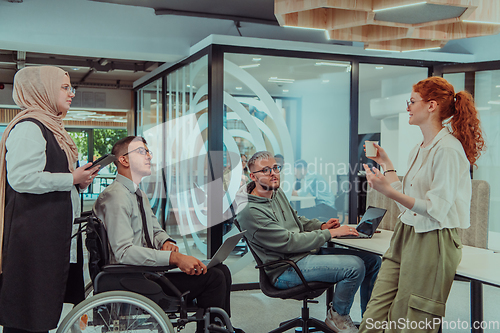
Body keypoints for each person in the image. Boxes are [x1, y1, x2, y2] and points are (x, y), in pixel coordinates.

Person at [358, 77, 485, 333]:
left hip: (433, 240)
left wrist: (387, 192)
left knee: (411, 321)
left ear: (431, 106)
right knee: (375, 313)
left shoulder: (448, 150)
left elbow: (435, 208)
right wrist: (387, 165)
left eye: (412, 101)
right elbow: (409, 201)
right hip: (406, 234)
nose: (408, 107)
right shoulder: (419, 147)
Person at [93, 136, 239, 332]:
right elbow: (124, 252)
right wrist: (174, 258)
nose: (149, 157)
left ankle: (217, 327)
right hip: (132, 276)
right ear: (124, 160)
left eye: (148, 152)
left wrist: (165, 241)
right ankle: (214, 328)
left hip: (147, 271)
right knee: (214, 277)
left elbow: (154, 228)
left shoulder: (137, 193)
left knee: (221, 270)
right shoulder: (115, 196)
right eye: (141, 152)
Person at [0, 66, 100, 333]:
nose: (71, 94)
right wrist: (71, 179)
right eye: (64, 87)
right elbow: (21, 178)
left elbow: (48, 178)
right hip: (34, 239)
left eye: (71, 88)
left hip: (50, 236)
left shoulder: (51, 127)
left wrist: (78, 181)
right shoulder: (29, 127)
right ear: (41, 90)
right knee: (28, 315)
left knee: (43, 310)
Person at [236, 151, 381, 333]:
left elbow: (297, 220)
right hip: (285, 268)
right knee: (355, 266)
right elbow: (290, 242)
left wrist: (320, 226)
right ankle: (338, 316)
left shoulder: (275, 192)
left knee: (372, 260)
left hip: (304, 255)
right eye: (265, 170)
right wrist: (330, 233)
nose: (273, 173)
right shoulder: (250, 211)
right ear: (253, 176)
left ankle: (370, 321)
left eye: (275, 167)